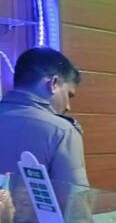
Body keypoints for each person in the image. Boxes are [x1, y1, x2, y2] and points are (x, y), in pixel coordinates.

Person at [0, 47, 88, 186]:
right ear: (53, 84)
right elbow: (76, 197)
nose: (68, 107)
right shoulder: (62, 131)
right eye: (68, 94)